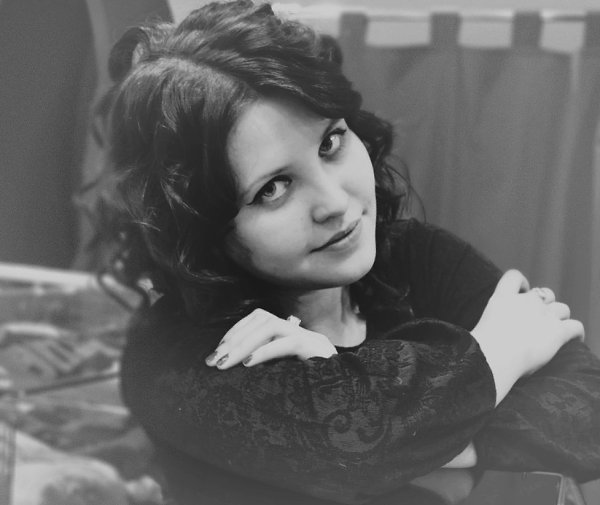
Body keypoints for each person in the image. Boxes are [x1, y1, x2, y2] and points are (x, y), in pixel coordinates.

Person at [93, 1, 600, 503]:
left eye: (331, 143)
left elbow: (588, 412)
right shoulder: (176, 358)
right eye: (273, 189)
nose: (335, 203)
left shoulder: (411, 257)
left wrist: (374, 401)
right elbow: (357, 444)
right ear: (199, 230)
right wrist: (500, 350)